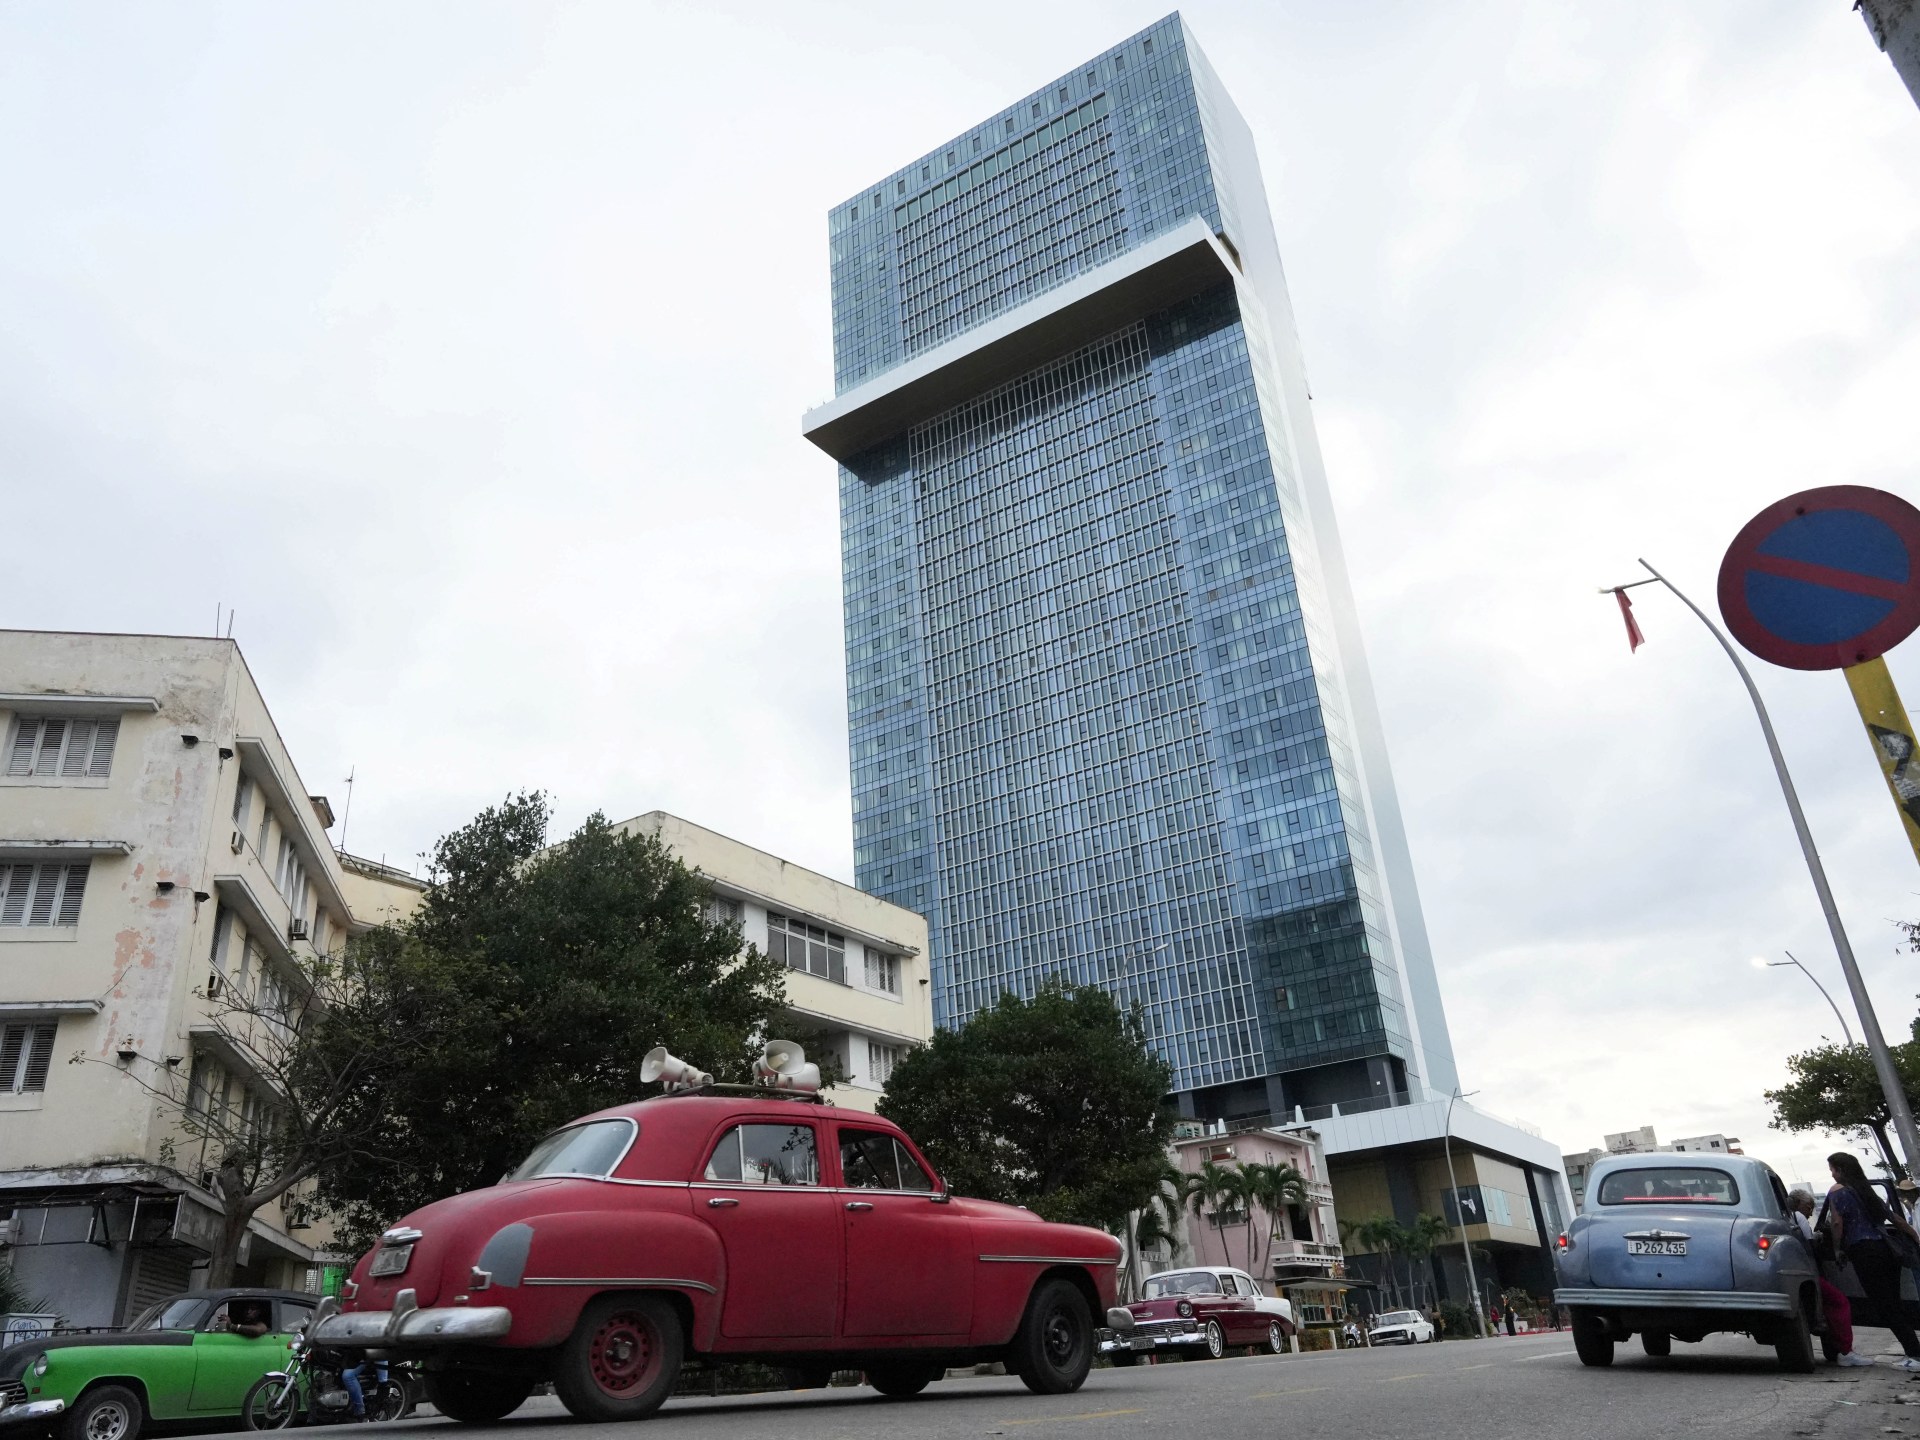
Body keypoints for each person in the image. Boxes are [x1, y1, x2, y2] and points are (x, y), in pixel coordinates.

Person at [1826, 1151, 1920, 1369]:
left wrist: (1837, 1249)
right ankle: (1913, 1351)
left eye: (1832, 1170)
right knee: (1894, 1303)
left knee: (1884, 1306)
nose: (1831, 1175)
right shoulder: (1865, 1190)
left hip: (1864, 1252)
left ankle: (1915, 1354)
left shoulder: (1837, 1191)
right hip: (1886, 1251)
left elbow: (1837, 1224)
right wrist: (1915, 1237)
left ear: (1840, 1170)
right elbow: (1894, 1218)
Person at [1790, 1188, 1869, 1367]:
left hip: (1795, 1274)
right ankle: (1845, 1351)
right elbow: (1810, 1247)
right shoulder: (1799, 1217)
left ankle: (1836, 1350)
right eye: (1808, 1207)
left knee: (1827, 1306)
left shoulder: (1786, 1218)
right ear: (1798, 1204)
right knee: (1839, 1302)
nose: (1810, 1212)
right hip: (1808, 1273)